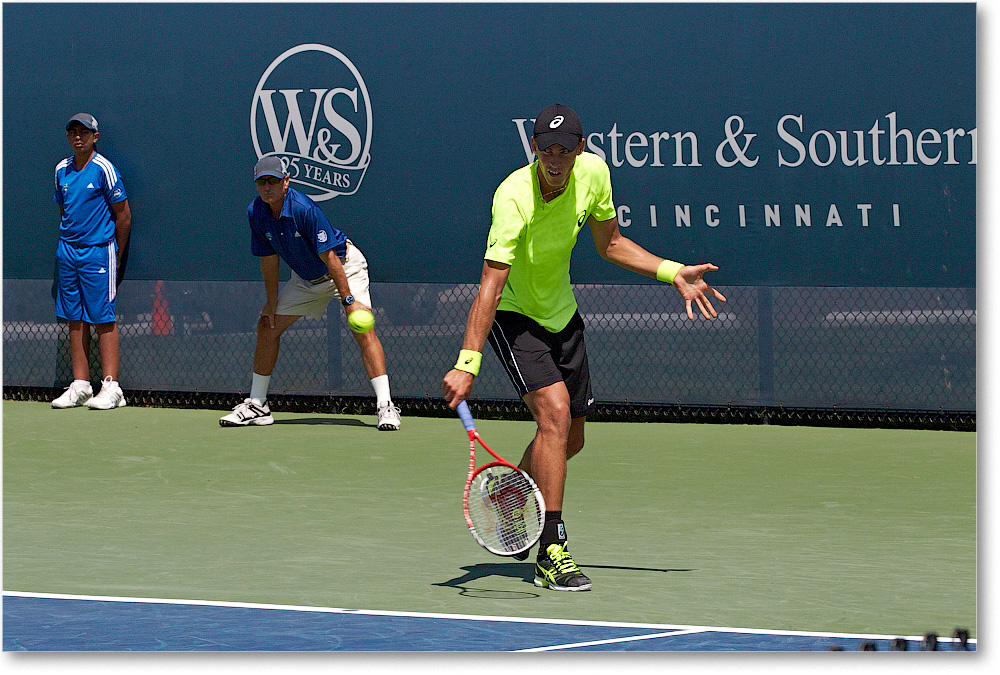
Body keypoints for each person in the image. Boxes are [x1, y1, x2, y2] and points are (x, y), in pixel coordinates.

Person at [442, 104, 726, 592]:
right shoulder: (512, 197)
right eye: (547, 148)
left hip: (562, 313)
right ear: (534, 148)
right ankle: (552, 548)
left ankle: (513, 491)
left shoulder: (593, 174)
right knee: (553, 415)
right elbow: (490, 283)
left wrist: (671, 271)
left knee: (570, 439)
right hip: (515, 316)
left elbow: (610, 242)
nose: (556, 158)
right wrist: (468, 362)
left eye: (565, 148)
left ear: (581, 148)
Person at [220, 156, 401, 430]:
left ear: (286, 182)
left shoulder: (304, 209)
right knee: (267, 326)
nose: (268, 187)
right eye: (262, 182)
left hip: (343, 268)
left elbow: (330, 257)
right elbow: (268, 259)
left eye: (274, 181)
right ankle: (258, 405)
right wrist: (271, 302)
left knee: (362, 328)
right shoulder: (256, 212)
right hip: (306, 280)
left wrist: (349, 301)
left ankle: (386, 406)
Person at [51, 113, 132, 410]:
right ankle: (81, 384)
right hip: (68, 252)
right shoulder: (61, 170)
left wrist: (116, 253)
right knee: (75, 317)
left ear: (95, 137)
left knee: (103, 318)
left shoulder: (104, 169)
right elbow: (64, 210)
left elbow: (123, 216)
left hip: (99, 252)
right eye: (72, 131)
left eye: (84, 132)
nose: (77, 137)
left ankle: (112, 387)